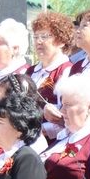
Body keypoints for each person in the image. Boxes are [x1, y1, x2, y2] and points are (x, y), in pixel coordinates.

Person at [30, 11, 77, 139]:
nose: (38, 41)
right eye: (35, 37)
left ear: (61, 41)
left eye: (44, 37)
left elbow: (64, 119)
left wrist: (38, 131)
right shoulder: (30, 72)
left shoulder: (67, 71)